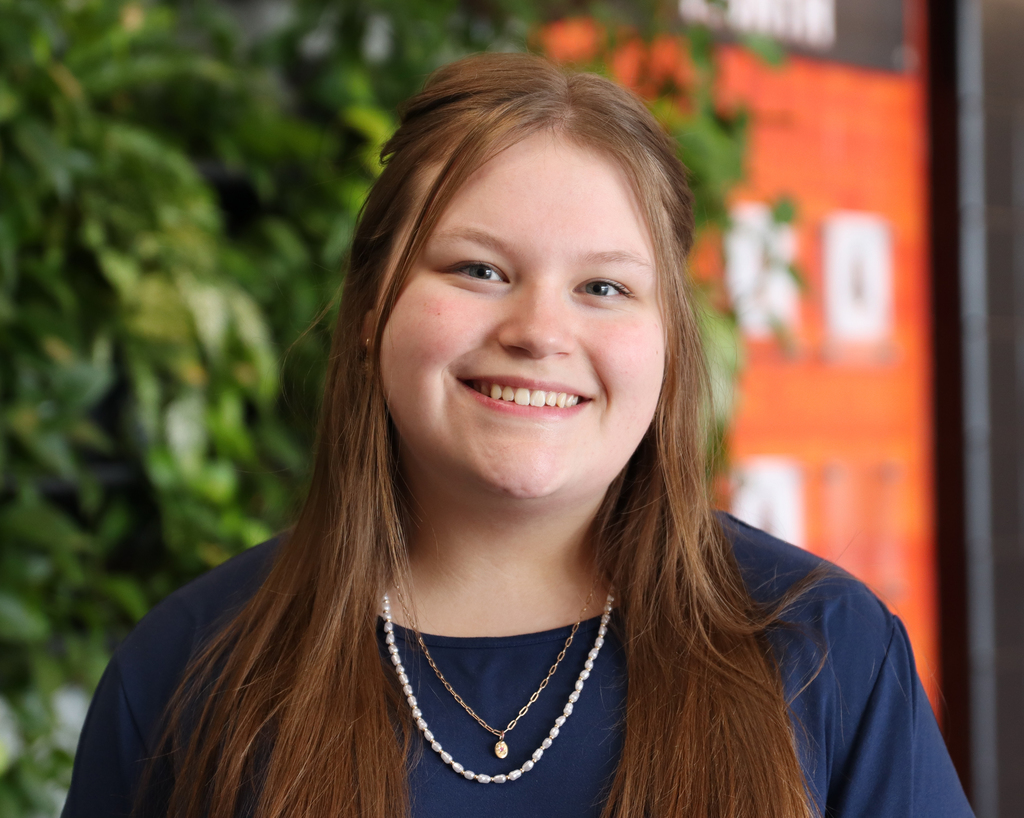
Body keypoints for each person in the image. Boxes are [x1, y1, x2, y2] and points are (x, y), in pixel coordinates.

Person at [63, 52, 973, 818]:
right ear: (374, 309)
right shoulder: (187, 671)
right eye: (479, 269)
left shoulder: (825, 651)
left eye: (603, 287)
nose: (540, 332)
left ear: (669, 340)